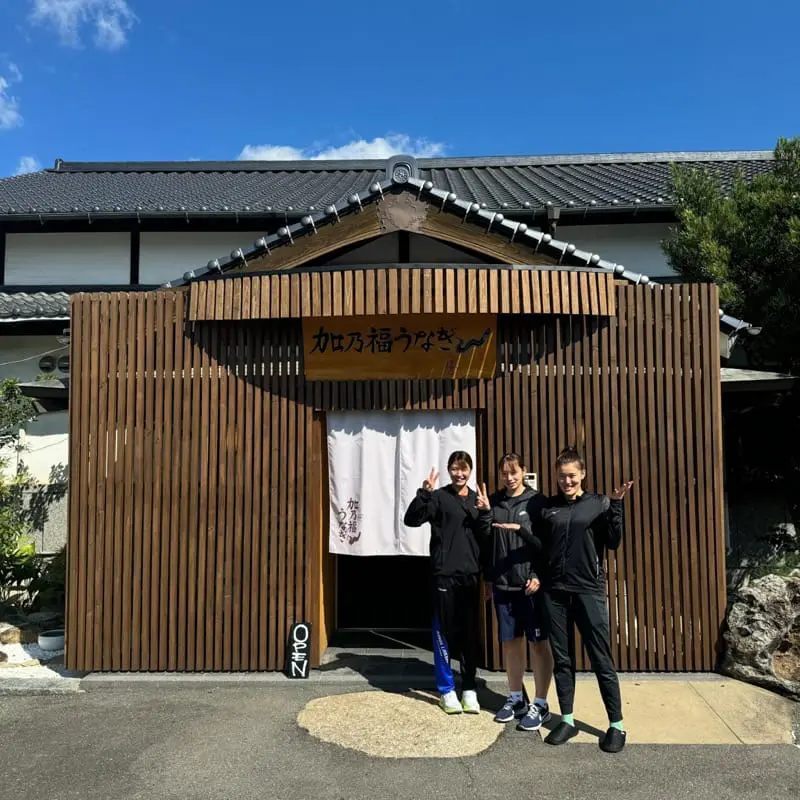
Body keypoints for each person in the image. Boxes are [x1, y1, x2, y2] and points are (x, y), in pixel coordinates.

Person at [526, 446, 633, 753]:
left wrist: (616, 506)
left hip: (588, 591)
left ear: (582, 474)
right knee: (563, 659)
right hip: (555, 593)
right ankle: (568, 720)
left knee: (601, 658)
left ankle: (616, 725)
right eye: (562, 477)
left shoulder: (598, 503)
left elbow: (613, 541)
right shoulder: (550, 508)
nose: (567, 481)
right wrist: (535, 570)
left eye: (572, 476)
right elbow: (543, 549)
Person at [476, 453, 554, 731]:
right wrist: (485, 512)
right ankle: (515, 698)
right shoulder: (494, 502)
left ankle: (541, 703)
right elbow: (486, 544)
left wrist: (539, 575)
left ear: (524, 471)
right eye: (504, 473)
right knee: (510, 642)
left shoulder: (537, 502)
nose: (509, 478)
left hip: (530, 586)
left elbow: (546, 545)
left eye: (514, 472)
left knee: (539, 644)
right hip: (503, 584)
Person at [403, 451, 484, 715]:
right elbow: (411, 520)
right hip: (444, 575)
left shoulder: (477, 500)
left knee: (469, 634)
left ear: (470, 471)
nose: (459, 474)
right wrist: (423, 494)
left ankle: (469, 688)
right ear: (449, 471)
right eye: (455, 469)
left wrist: (486, 513)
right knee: (443, 633)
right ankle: (447, 690)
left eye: (464, 469)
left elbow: (487, 536)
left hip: (471, 575)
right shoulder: (439, 497)